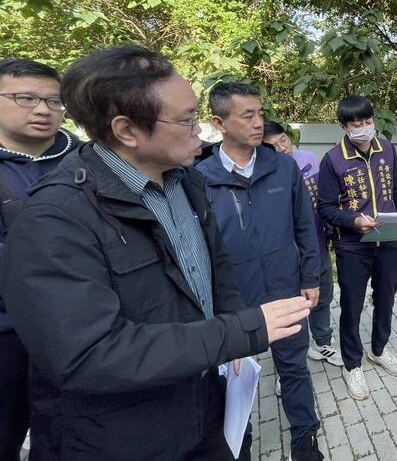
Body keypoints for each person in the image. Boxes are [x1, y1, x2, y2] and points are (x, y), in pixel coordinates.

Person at [0, 46, 312, 461]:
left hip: (204, 407)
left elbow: (216, 266)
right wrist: (240, 332)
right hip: (119, 436)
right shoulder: (56, 218)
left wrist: (232, 328)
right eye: (187, 120)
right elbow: (90, 354)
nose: (200, 133)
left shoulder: (187, 181)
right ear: (127, 130)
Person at [196, 84, 324, 461]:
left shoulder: (282, 166)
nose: (258, 123)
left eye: (261, 114)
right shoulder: (199, 177)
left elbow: (305, 225)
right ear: (219, 123)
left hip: (286, 288)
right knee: (235, 376)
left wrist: (311, 277)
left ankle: (305, 438)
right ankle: (240, 442)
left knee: (294, 368)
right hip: (235, 299)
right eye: (247, 115)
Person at [0, 59, 79, 461]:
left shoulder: (89, 161)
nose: (43, 110)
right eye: (26, 98)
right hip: (7, 335)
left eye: (54, 101)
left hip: (78, 330)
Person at [317, 95, 397, 400]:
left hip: (389, 242)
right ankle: (352, 364)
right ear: (344, 127)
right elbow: (326, 207)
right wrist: (354, 221)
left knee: (386, 299)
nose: (364, 128)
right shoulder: (333, 160)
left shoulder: (387, 149)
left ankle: (378, 349)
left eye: (368, 121)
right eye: (357, 124)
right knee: (352, 306)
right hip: (353, 247)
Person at [263, 120, 343, 367]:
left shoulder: (308, 159)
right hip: (285, 253)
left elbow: (324, 200)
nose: (282, 147)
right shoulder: (264, 173)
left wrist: (330, 234)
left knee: (322, 296)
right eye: (273, 146)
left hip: (316, 244)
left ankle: (322, 343)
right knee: (289, 305)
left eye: (283, 140)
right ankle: (289, 364)